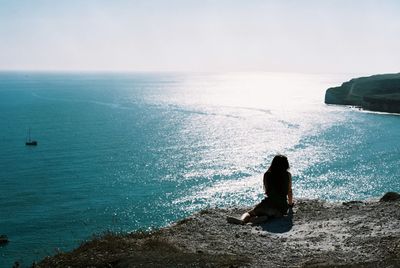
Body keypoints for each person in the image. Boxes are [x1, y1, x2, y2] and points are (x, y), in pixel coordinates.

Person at [227, 154, 293, 224]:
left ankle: (242, 220)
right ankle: (266, 217)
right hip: (281, 207)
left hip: (268, 203)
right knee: (272, 214)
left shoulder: (267, 175)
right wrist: (290, 204)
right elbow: (289, 192)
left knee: (249, 213)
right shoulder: (288, 175)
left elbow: (266, 190)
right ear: (286, 164)